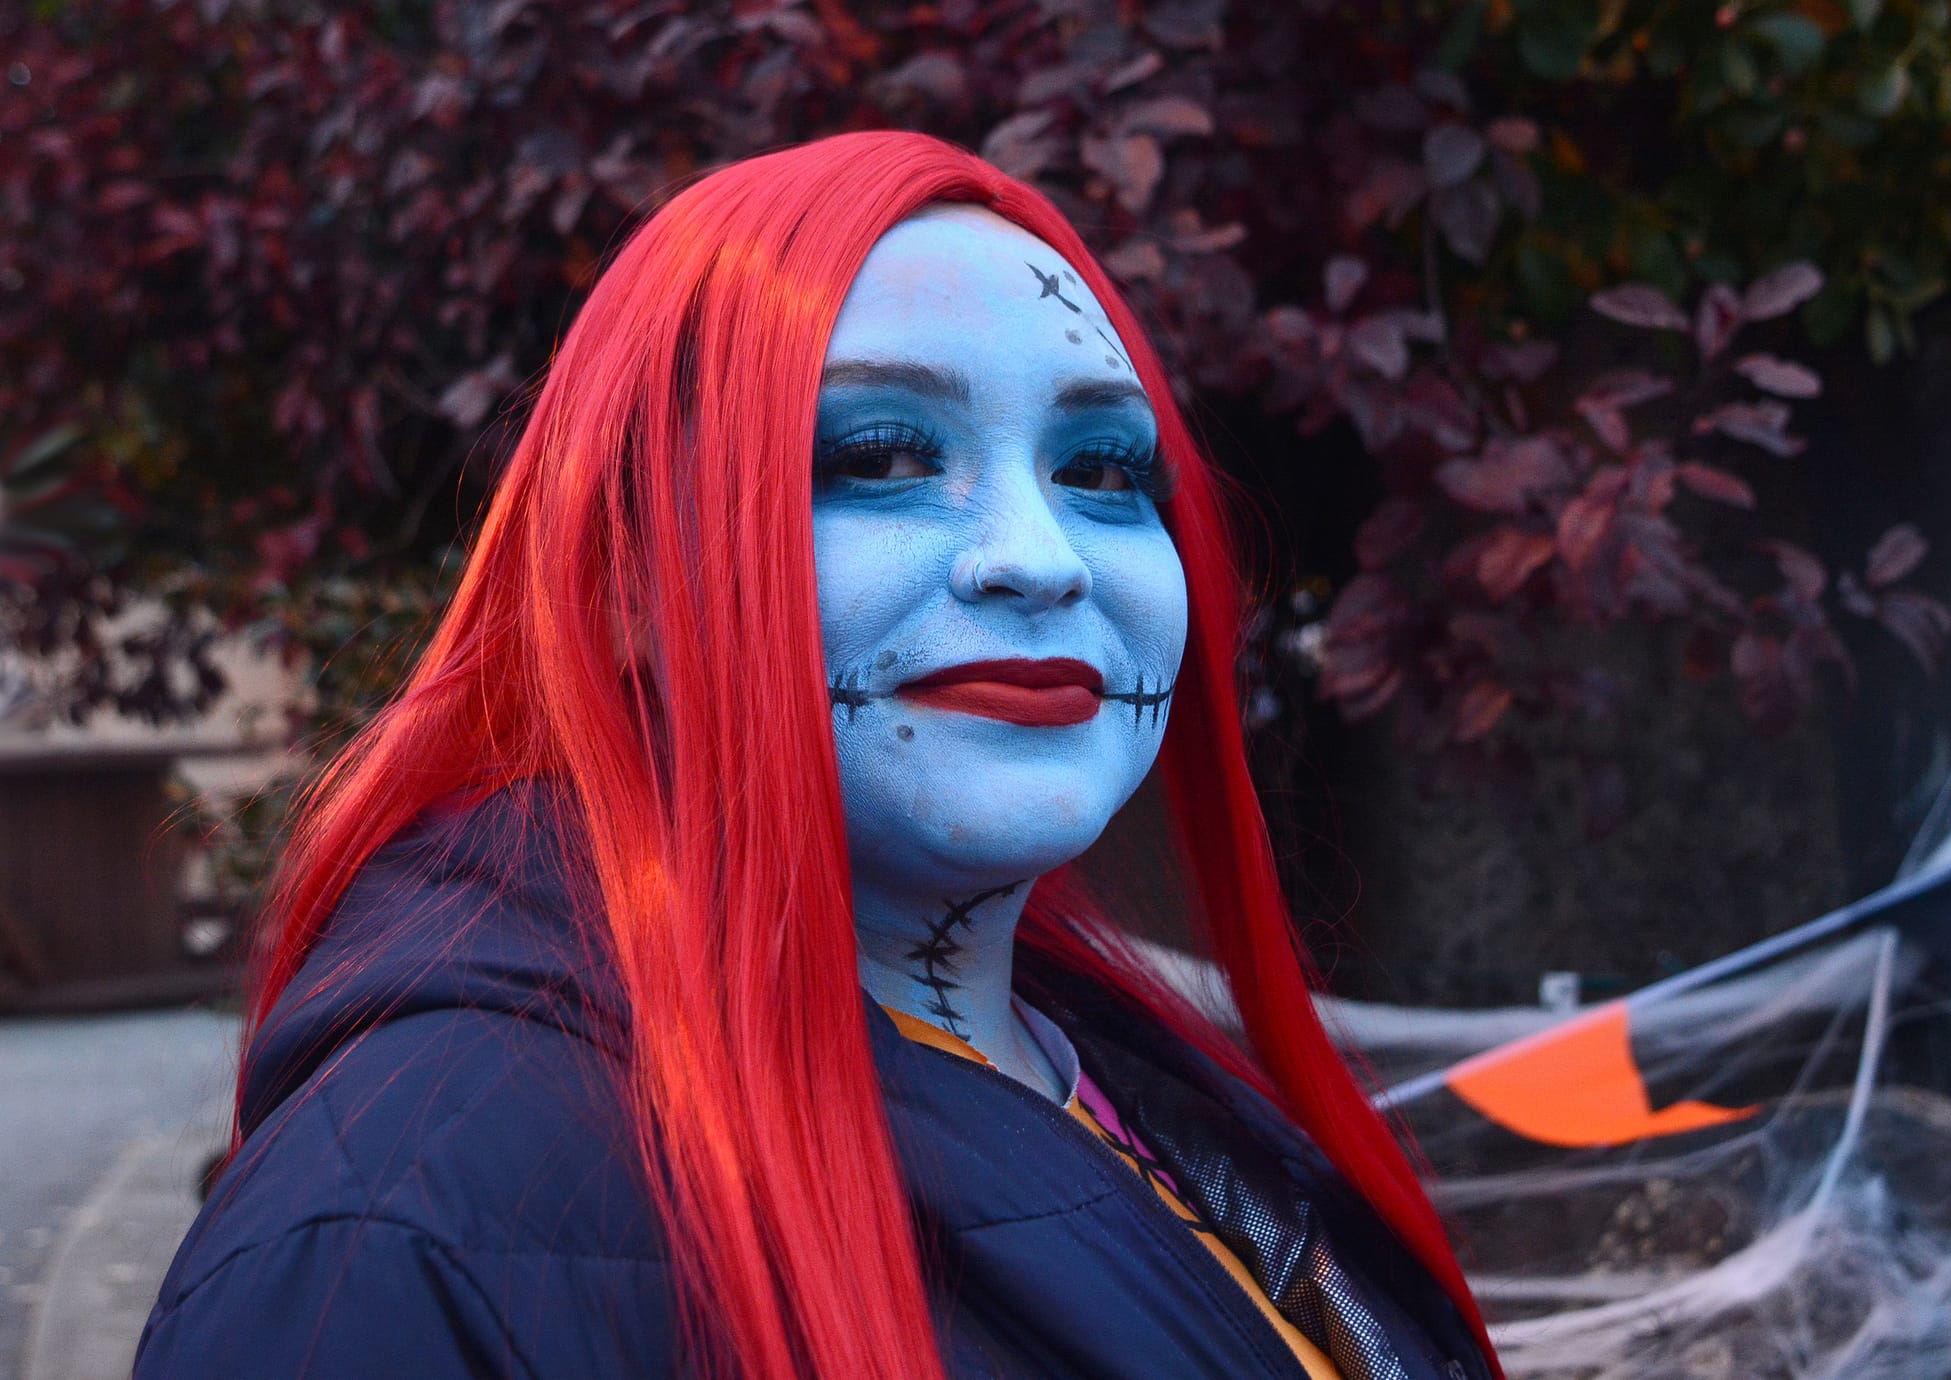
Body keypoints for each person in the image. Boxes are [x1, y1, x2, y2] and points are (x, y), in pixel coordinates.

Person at [135, 131, 1501, 1380]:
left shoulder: (1136, 1079)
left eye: (1103, 471)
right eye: (883, 455)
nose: (1039, 558)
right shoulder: (395, 1221)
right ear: (622, 576)